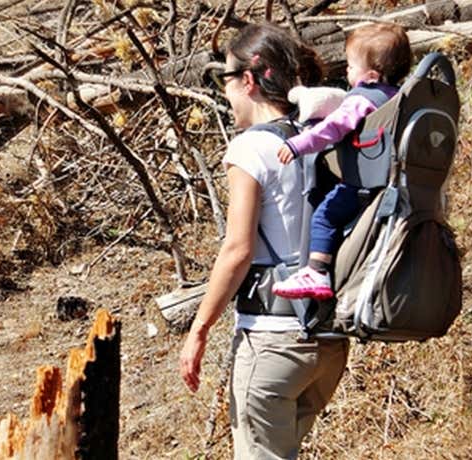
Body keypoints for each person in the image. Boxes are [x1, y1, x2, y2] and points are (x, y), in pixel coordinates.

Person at [179, 23, 349, 459]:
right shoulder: (318, 137)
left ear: (249, 81)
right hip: (328, 341)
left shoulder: (249, 148)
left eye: (226, 80)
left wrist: (199, 329)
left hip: (273, 342)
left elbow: (238, 250)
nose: (225, 93)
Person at [272, 23, 411, 300]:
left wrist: (298, 144)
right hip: (395, 181)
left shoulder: (361, 99)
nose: (346, 71)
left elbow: (333, 129)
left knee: (325, 216)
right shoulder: (399, 98)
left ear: (370, 75)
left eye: (349, 66)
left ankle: (316, 272)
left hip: (362, 183)